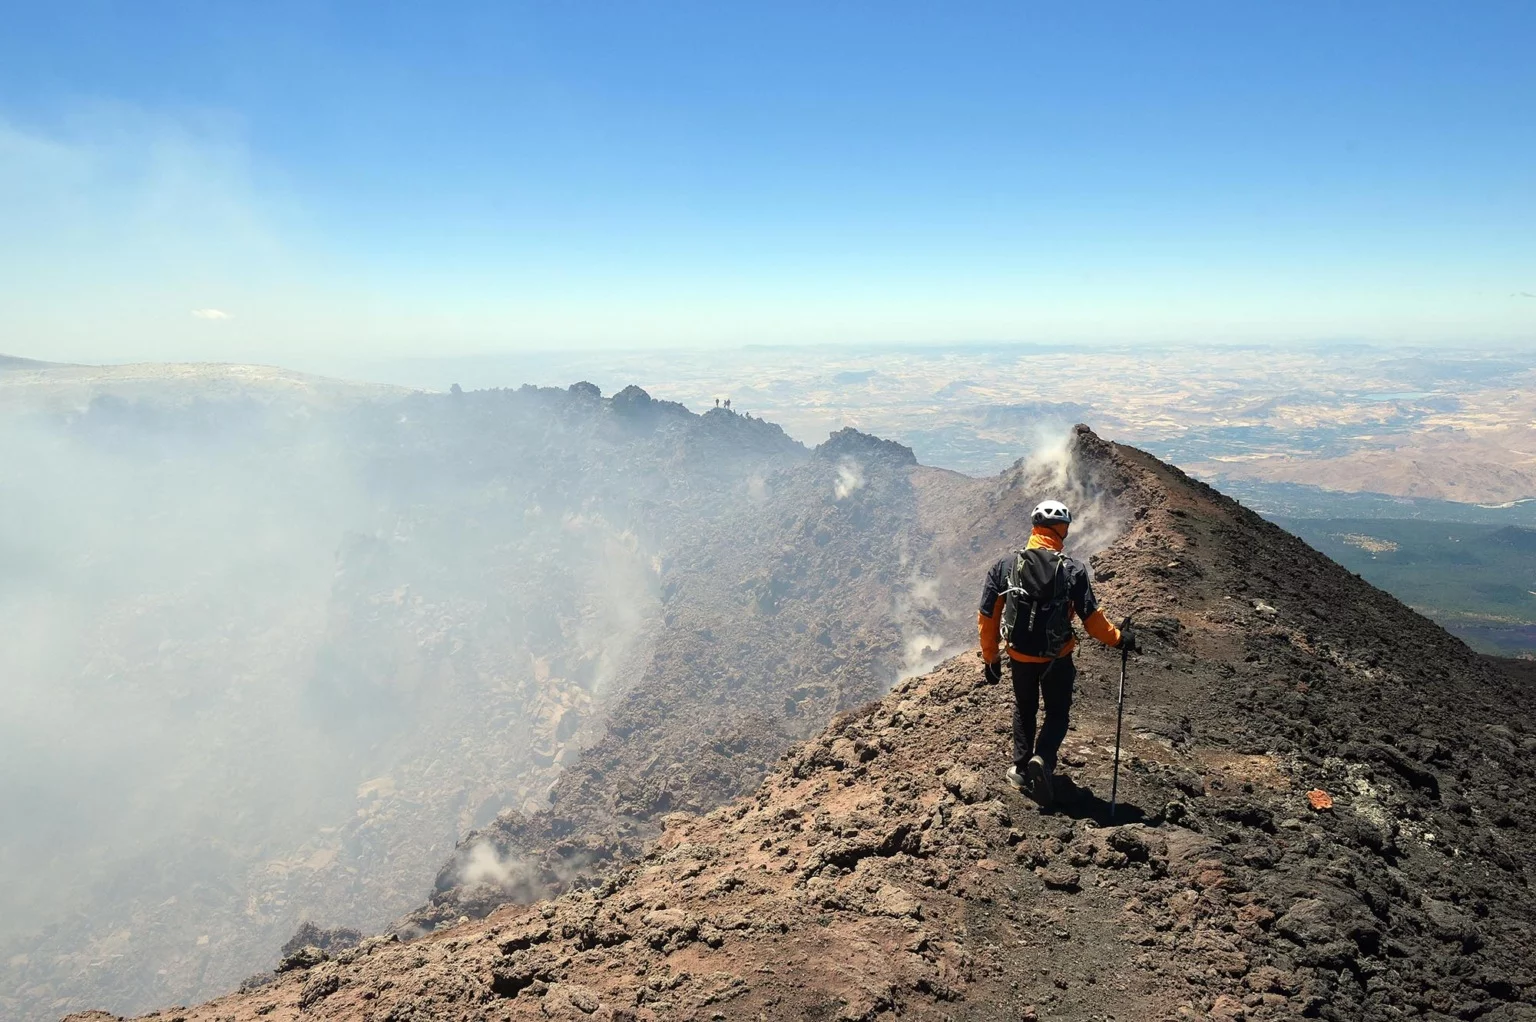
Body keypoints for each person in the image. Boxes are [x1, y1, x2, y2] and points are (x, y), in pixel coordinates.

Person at [977, 499, 1136, 804]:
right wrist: (1120, 639)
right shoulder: (1073, 569)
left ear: (1034, 527)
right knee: (1058, 713)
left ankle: (1020, 768)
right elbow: (1092, 620)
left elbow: (987, 616)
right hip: (1057, 658)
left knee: (1024, 709)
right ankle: (1044, 759)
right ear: (1062, 530)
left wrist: (991, 658)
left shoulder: (1005, 566)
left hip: (1019, 656)